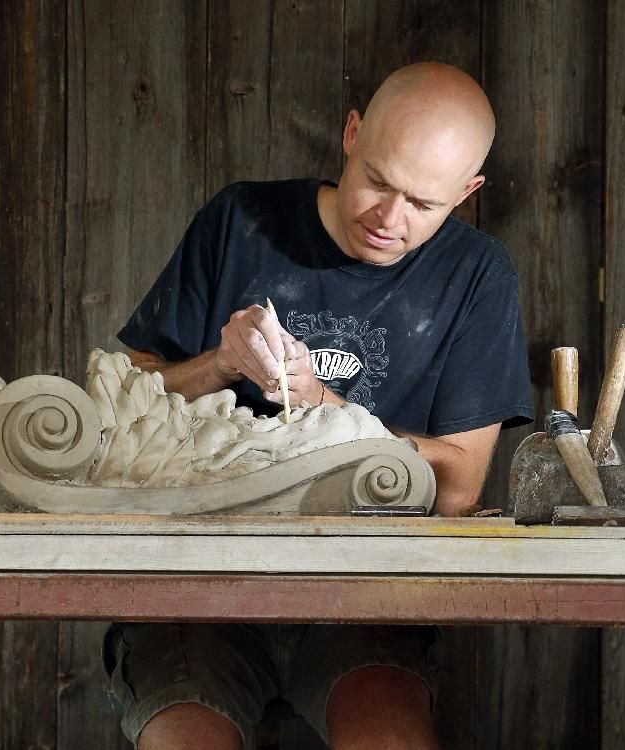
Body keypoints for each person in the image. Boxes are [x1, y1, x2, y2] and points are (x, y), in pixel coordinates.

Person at [104, 62, 533, 749]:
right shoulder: (240, 221)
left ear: (468, 191)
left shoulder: (478, 274)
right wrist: (218, 366)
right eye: (379, 181)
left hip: (366, 594)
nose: (388, 220)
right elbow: (120, 418)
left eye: (423, 205)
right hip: (197, 586)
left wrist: (324, 406)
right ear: (351, 133)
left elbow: (457, 489)